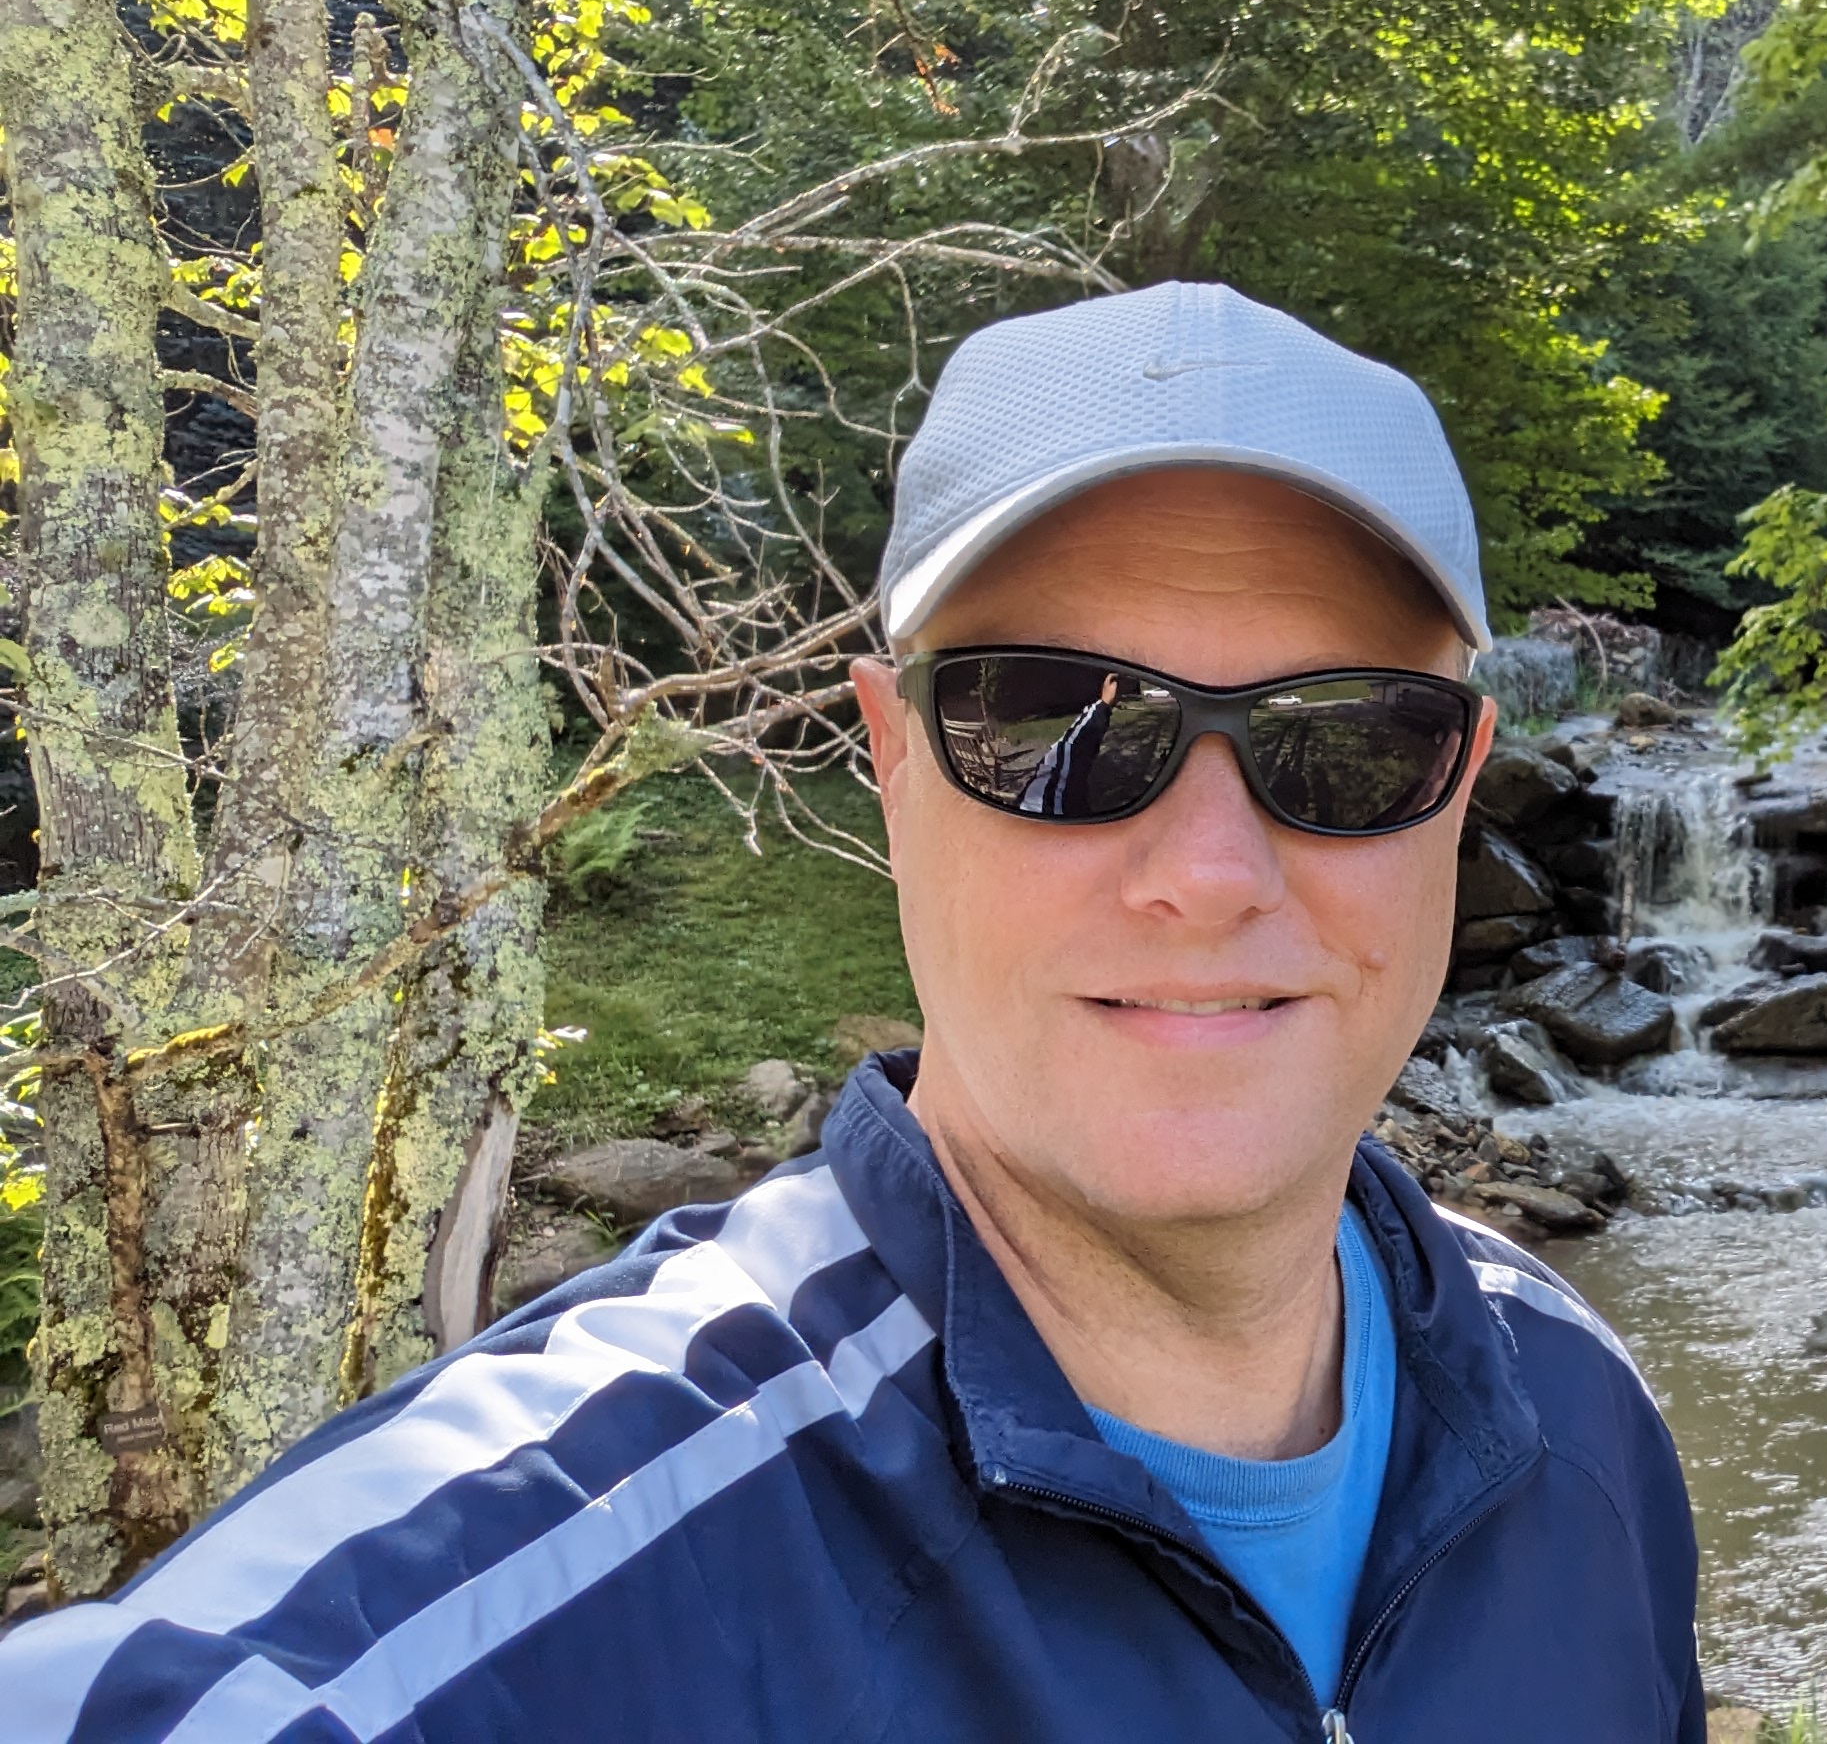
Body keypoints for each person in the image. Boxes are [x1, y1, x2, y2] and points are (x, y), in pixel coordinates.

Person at [4, 283, 1706, 1741]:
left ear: (1458, 784)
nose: (1206, 873)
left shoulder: (1581, 1419)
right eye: (1053, 723)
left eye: (1346, 740)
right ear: (891, 761)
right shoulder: (536, 1588)